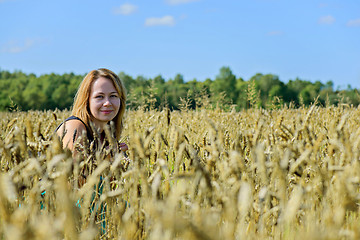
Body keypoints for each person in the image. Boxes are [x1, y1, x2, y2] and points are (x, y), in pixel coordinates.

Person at [55, 68, 128, 154]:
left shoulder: (106, 134)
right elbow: (72, 166)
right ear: (86, 100)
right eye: (99, 96)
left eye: (113, 96)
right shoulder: (74, 127)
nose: (107, 103)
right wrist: (107, 156)